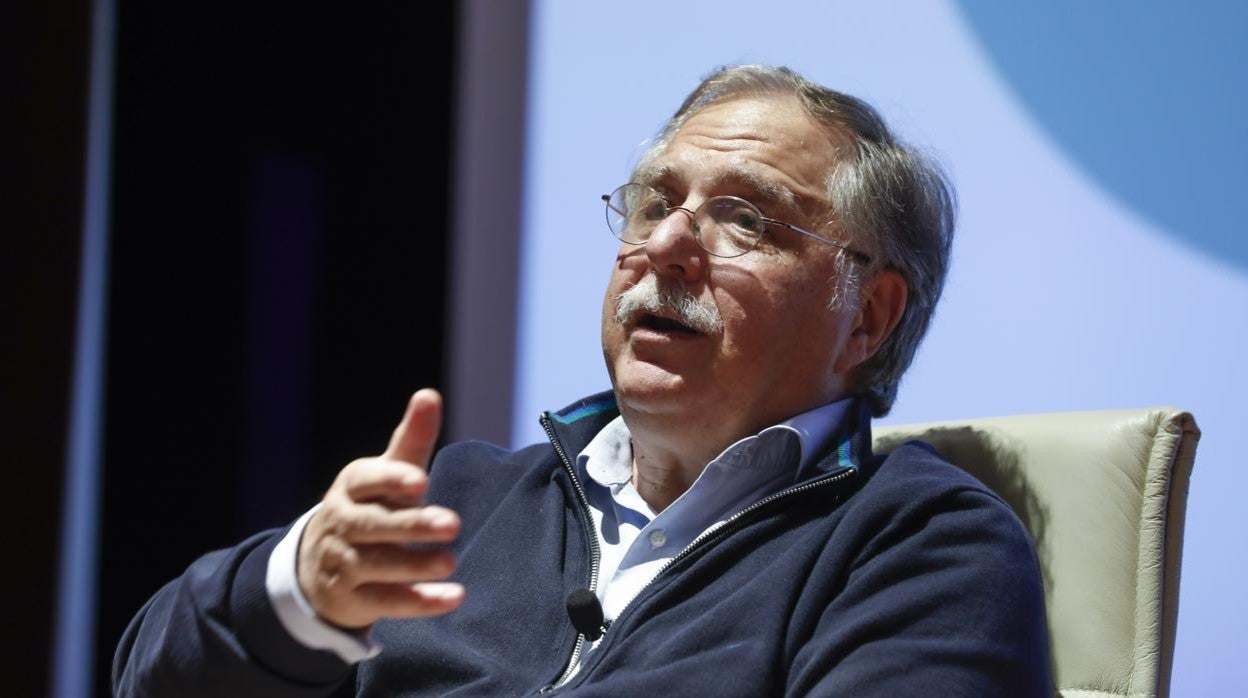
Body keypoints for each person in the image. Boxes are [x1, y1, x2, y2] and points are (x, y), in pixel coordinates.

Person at [114, 65, 1051, 696]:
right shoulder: (463, 499)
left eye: (746, 220)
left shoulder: (922, 547)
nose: (668, 244)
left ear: (869, 316)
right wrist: (299, 590)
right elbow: (148, 675)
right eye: (654, 203)